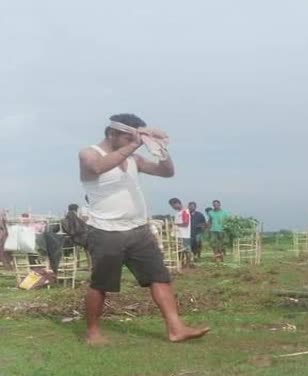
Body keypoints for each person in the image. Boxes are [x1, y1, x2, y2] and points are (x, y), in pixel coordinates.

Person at [78, 113, 209, 346]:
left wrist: (160, 150)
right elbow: (97, 168)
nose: (132, 142)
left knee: (160, 278)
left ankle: (176, 328)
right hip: (105, 230)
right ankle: (93, 332)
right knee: (101, 284)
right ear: (111, 133)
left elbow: (166, 172)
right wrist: (135, 143)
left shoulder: (134, 160)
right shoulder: (89, 153)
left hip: (139, 230)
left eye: (134, 138)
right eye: (128, 137)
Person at [169, 198, 192, 267]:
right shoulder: (177, 213)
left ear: (177, 203)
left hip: (184, 235)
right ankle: (181, 264)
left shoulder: (185, 211)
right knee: (179, 250)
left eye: (173, 205)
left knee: (186, 250)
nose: (173, 207)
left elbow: (186, 224)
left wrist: (175, 224)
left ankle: (188, 264)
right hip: (178, 235)